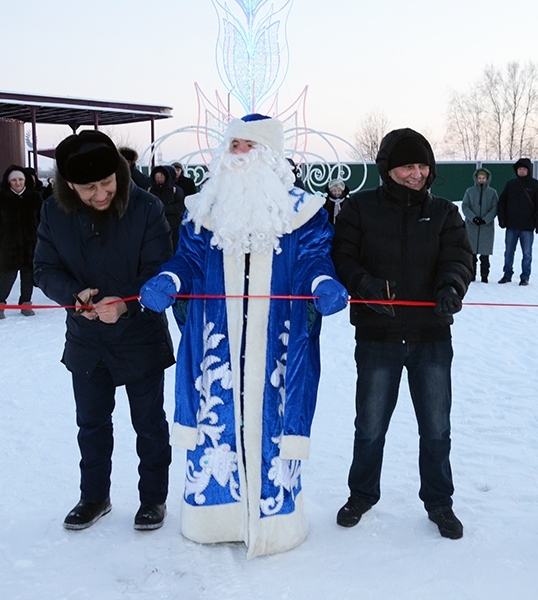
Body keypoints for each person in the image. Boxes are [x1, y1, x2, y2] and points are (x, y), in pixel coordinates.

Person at [139, 114, 348, 558]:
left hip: (277, 343)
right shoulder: (204, 211)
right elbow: (190, 260)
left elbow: (314, 259)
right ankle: (215, 518)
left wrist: (321, 284)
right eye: (232, 146)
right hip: (218, 342)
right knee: (216, 425)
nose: (237, 156)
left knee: (274, 426)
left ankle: (277, 520)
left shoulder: (304, 213)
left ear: (270, 155)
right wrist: (170, 280)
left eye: (247, 147)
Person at [332, 128, 473, 540]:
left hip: (431, 338)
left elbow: (458, 257)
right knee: (370, 425)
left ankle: (439, 501)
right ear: (387, 169)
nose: (416, 173)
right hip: (378, 336)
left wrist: (451, 286)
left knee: (435, 427)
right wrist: (364, 285)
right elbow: (342, 256)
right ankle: (361, 494)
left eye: (422, 166)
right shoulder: (360, 209)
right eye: (407, 166)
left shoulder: (445, 212)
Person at [33, 130, 175, 532]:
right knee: (91, 424)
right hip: (86, 341)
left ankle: (153, 499)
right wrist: (73, 296)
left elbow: (161, 270)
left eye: (106, 183)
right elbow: (44, 268)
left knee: (149, 425)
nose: (99, 194)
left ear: (118, 172)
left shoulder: (146, 208)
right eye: (87, 188)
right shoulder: (53, 212)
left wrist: (127, 304)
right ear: (68, 186)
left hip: (139, 337)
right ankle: (94, 497)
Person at [0, 165, 42, 318]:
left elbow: (41, 221)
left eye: (20, 179)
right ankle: (0, 305)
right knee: (6, 277)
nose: (18, 183)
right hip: (8, 246)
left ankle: (26, 304)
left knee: (28, 277)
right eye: (14, 180)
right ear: (8, 182)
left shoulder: (34, 198)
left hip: (31, 245)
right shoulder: (2, 198)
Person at [497, 158, 538, 286]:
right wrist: (502, 219)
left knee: (527, 254)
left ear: (528, 170)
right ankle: (507, 275)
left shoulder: (536, 186)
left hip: (527, 227)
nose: (521, 171)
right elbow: (502, 202)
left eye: (524, 169)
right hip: (511, 226)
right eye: (519, 169)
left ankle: (525, 277)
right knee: (508, 252)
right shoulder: (510, 185)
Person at [461, 168, 498, 283]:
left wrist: (486, 219)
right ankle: (471, 275)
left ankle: (484, 275)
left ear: (487, 179)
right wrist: (473, 218)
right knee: (471, 254)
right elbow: (465, 206)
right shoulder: (469, 191)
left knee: (484, 255)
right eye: (479, 178)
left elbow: (495, 208)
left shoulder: (492, 193)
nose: (481, 180)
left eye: (483, 178)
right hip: (472, 226)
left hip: (486, 227)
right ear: (476, 179)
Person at [148, 165, 186, 250]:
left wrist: (161, 208)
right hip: (155, 227)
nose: (159, 179)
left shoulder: (175, 190)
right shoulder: (150, 190)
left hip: (173, 226)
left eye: (161, 176)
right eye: (157, 176)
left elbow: (179, 207)